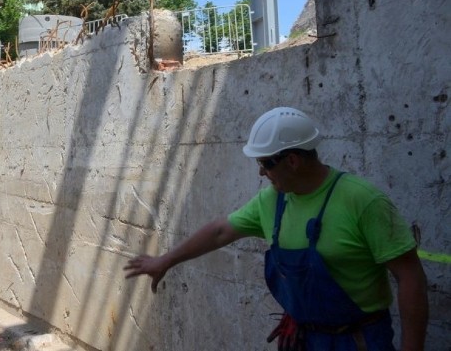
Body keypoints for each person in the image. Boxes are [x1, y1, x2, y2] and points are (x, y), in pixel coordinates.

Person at [124, 107, 428, 351]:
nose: (260, 172)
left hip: (359, 339)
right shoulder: (273, 201)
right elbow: (220, 231)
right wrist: (165, 261)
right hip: (304, 337)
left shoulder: (362, 201)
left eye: (265, 164)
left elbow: (409, 275)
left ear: (292, 160)